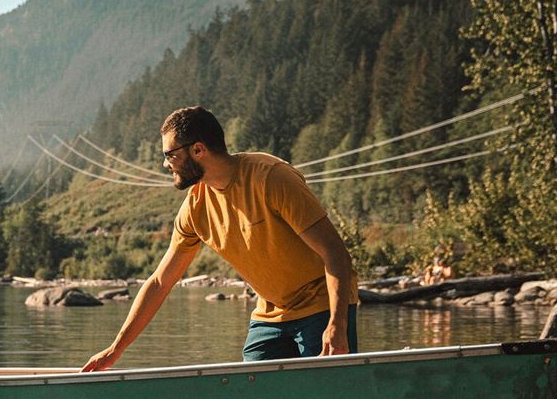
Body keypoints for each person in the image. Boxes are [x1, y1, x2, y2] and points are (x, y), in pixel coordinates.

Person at [82, 106, 358, 371]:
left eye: (170, 155)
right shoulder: (195, 208)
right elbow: (160, 282)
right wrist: (115, 349)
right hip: (269, 315)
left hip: (321, 307)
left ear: (198, 150)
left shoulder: (271, 178)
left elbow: (334, 252)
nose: (166, 164)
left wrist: (337, 324)